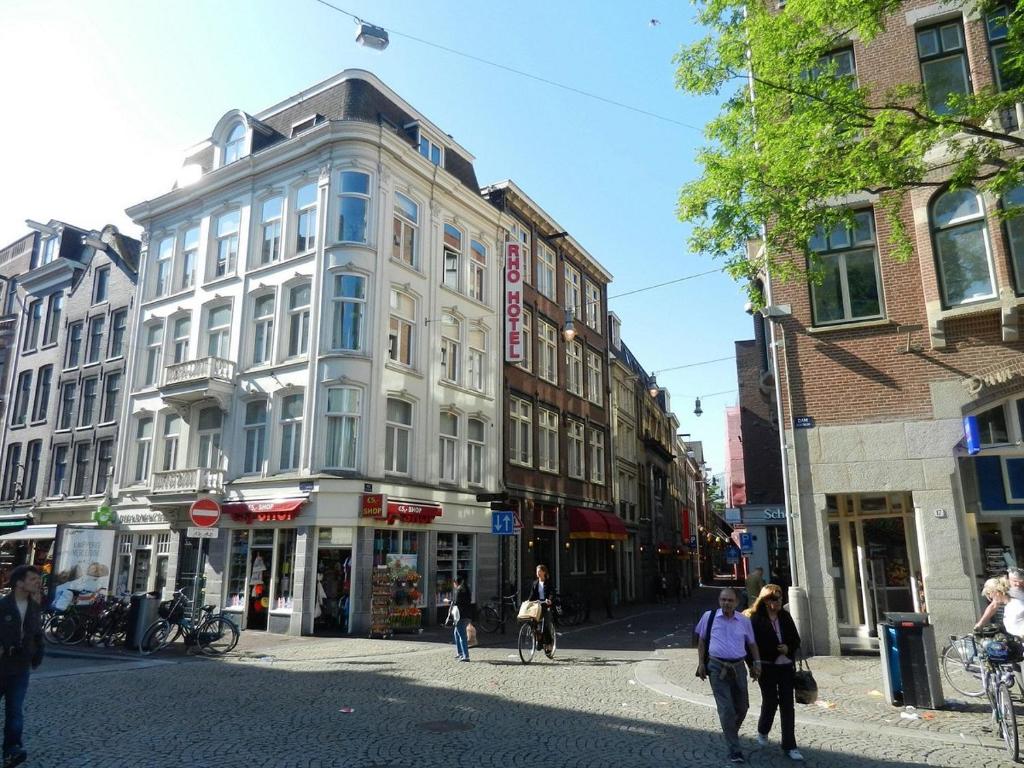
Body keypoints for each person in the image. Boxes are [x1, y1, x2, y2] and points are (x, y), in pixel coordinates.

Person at [695, 587, 761, 764]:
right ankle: (735, 749)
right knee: (726, 709)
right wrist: (701, 663)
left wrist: (757, 663)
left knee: (742, 707)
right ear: (719, 600)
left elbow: (752, 643)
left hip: (739, 667)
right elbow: (701, 640)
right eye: (723, 599)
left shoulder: (743, 621)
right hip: (717, 667)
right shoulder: (709, 617)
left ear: (737, 603)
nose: (726, 603)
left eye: (730, 600)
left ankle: (730, 732)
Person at [746, 584, 803, 762]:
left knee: (787, 705)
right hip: (766, 666)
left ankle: (790, 745)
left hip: (785, 666)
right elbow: (749, 645)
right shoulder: (756, 619)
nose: (778, 601)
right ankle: (763, 730)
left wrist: (788, 647)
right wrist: (753, 667)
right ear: (765, 600)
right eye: (774, 598)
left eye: (779, 597)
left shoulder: (785, 616)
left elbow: (796, 639)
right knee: (770, 701)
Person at [0, 565, 44, 768]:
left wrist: (37, 654)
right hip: (1, 664)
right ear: (19, 583)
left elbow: (37, 634)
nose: (38, 582)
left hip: (20, 667)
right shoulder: (3, 606)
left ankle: (12, 751)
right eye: (33, 579)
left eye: (38, 579)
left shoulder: (34, 607)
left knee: (15, 711)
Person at [528, 564, 556, 655]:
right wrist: (528, 602)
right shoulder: (535, 583)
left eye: (539, 571)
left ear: (544, 572)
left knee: (545, 625)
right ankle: (538, 639)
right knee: (533, 622)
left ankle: (548, 643)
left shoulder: (548, 582)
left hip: (546, 605)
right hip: (538, 605)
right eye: (537, 572)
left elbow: (552, 592)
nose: (538, 573)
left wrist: (549, 600)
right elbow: (532, 595)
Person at [452, 574, 472, 662]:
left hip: (460, 616)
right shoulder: (467, 589)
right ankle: (460, 653)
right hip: (468, 614)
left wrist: (448, 601)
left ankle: (465, 656)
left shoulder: (459, 590)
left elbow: (456, 602)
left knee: (462, 635)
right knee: (456, 633)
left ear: (456, 582)